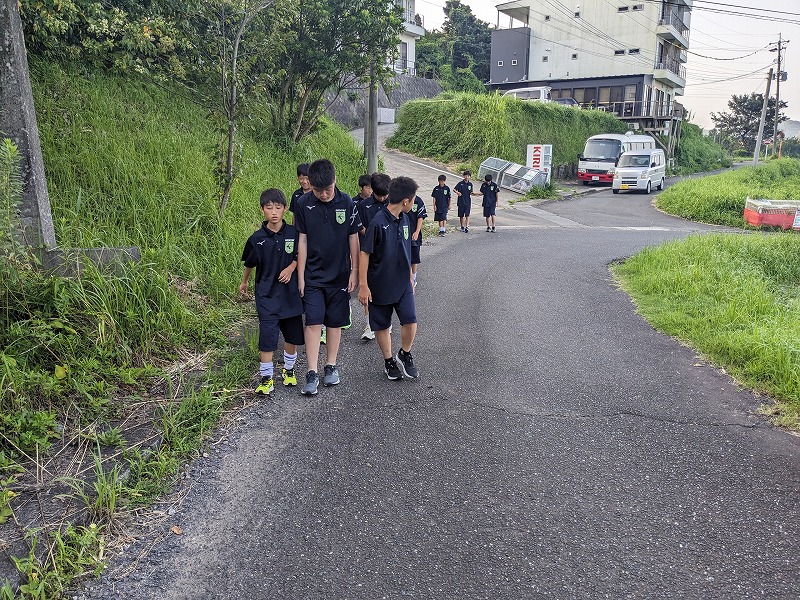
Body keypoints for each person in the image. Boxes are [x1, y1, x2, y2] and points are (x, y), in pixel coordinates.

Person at [294, 159, 361, 396]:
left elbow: (353, 237)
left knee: (335, 322)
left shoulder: (347, 202)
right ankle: (311, 371)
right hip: (312, 275)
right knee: (313, 322)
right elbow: (302, 240)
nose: (323, 195)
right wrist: (300, 276)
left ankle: (331, 365)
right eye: (318, 190)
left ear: (335, 181)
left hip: (340, 274)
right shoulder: (302, 204)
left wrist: (355, 271)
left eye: (328, 189)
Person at [239, 189, 304, 395]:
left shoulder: (294, 233)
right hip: (266, 295)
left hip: (290, 294)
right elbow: (249, 263)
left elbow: (301, 255)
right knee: (267, 337)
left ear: (285, 209)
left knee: (292, 336)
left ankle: (289, 369)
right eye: (269, 208)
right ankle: (266, 379)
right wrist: (244, 282)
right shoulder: (256, 238)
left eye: (278, 207)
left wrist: (292, 267)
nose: (274, 212)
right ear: (262, 210)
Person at [358, 176, 420, 381]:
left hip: (402, 283)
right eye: (413, 199)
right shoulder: (377, 222)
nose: (413, 203)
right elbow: (364, 253)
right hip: (380, 284)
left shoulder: (405, 219)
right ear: (405, 201)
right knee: (382, 325)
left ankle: (404, 353)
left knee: (410, 321)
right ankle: (388, 361)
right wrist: (364, 285)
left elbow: (406, 249)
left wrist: (410, 275)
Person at [356, 172, 392, 341]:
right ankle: (370, 325)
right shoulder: (364, 205)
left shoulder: (393, 203)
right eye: (379, 195)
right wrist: (373, 235)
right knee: (368, 289)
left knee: (387, 289)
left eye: (385, 195)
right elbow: (360, 226)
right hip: (369, 252)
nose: (382, 198)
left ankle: (387, 323)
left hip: (388, 253)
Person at [407, 194, 428, 286]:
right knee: (405, 256)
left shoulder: (418, 201)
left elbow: (420, 217)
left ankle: (414, 276)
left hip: (414, 234)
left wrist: (416, 232)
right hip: (403, 233)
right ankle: (407, 277)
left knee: (414, 258)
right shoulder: (403, 199)